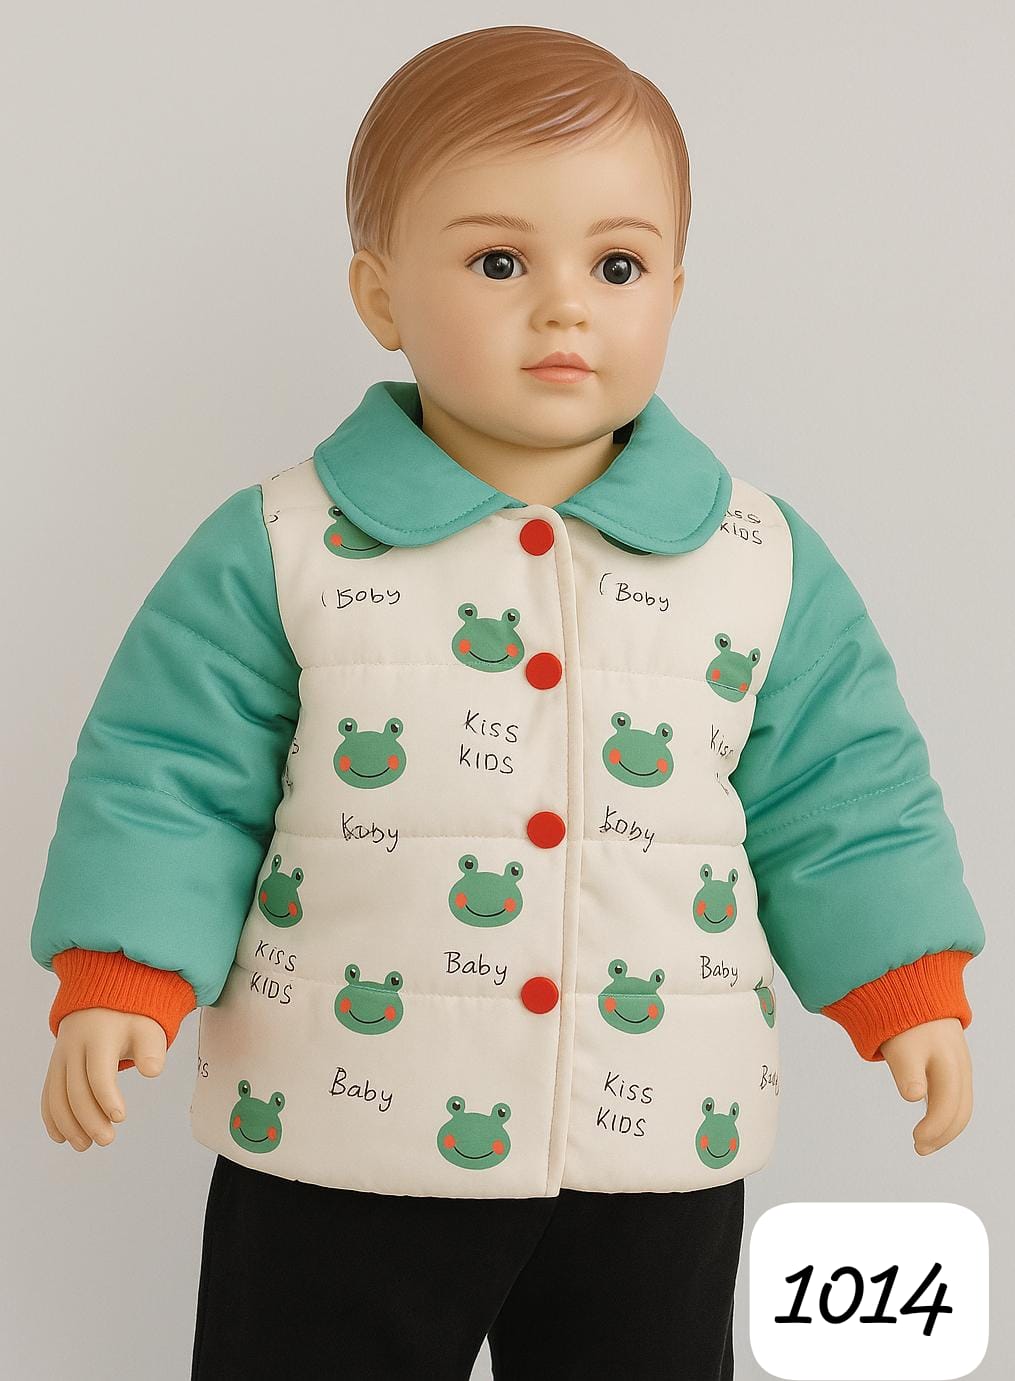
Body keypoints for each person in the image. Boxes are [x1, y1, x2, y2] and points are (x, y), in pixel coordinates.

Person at [30, 25, 984, 1380]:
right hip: (341, 1130)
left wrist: (905, 981)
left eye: (617, 265)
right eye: (498, 262)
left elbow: (844, 788)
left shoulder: (756, 560)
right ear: (380, 296)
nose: (565, 309)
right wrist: (125, 971)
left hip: (658, 1135)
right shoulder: (285, 546)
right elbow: (169, 770)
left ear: (675, 286)